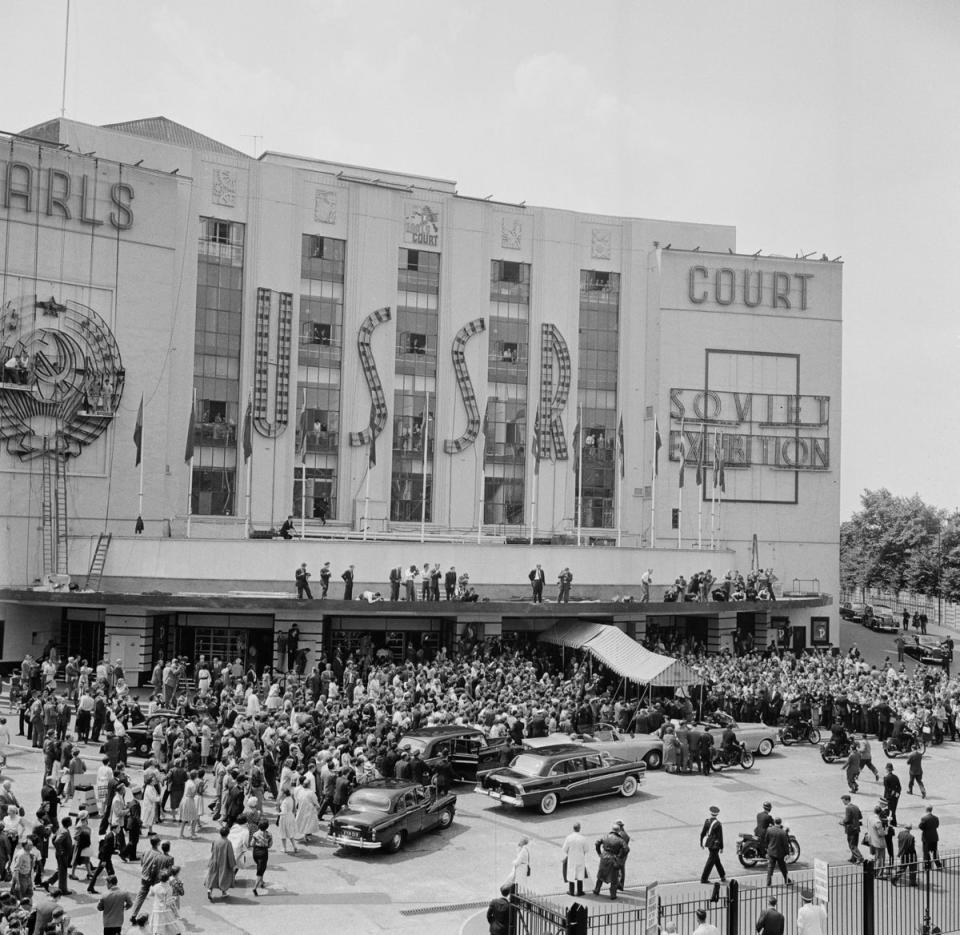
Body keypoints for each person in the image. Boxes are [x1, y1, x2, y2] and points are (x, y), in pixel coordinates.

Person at [205, 825, 237, 900]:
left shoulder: (215, 841)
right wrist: (232, 864)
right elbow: (230, 855)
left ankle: (210, 890)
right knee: (224, 877)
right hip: (224, 863)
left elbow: (212, 850)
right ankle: (224, 892)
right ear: (228, 834)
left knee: (213, 876)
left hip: (215, 861)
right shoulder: (228, 842)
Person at [593, 826, 626, 900]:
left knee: (601, 875)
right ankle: (613, 895)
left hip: (604, 857)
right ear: (618, 831)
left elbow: (597, 843)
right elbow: (626, 849)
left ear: (612, 830)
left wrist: (599, 853)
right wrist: (620, 856)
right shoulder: (620, 840)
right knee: (614, 878)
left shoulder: (605, 836)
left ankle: (596, 890)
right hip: (613, 858)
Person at [148, 868, 181, 935]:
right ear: (168, 878)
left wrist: (151, 889)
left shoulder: (156, 886)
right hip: (166, 909)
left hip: (157, 909)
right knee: (172, 926)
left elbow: (150, 894)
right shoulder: (169, 888)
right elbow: (169, 901)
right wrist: (175, 911)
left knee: (158, 926)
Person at [560, 822, 589, 897]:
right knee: (580, 874)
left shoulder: (569, 838)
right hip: (580, 858)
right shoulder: (583, 838)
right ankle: (580, 891)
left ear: (573, 828)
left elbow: (564, 849)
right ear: (580, 828)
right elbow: (586, 849)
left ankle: (571, 891)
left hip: (572, 858)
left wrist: (569, 853)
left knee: (571, 873)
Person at [699, 805, 725, 884]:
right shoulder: (718, 824)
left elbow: (702, 833)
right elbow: (720, 837)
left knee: (716, 859)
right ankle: (704, 878)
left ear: (710, 813)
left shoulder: (707, 821)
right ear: (717, 814)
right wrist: (721, 847)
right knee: (710, 861)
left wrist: (701, 843)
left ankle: (722, 875)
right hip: (715, 845)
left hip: (709, 843)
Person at [764, 817, 792, 887]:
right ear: (780, 823)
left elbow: (766, 840)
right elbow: (785, 845)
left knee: (770, 867)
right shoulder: (782, 832)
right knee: (783, 868)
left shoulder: (769, 830)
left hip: (771, 852)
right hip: (780, 853)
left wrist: (768, 848)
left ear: (774, 822)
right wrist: (787, 853)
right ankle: (787, 881)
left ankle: (768, 883)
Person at [250, 820, 272, 897]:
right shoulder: (269, 834)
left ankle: (262, 882)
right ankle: (255, 888)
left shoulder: (255, 834)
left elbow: (251, 844)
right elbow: (270, 845)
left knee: (259, 867)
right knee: (261, 869)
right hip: (263, 852)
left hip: (255, 852)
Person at [840, 794, 863, 863]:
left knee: (852, 844)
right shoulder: (856, 807)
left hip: (851, 829)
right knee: (855, 843)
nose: (843, 802)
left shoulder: (848, 808)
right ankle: (853, 858)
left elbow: (847, 819)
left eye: (843, 801)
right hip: (857, 828)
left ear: (847, 800)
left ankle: (860, 857)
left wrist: (842, 822)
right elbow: (860, 816)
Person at [918, 805, 942, 871]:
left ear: (926, 810)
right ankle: (938, 865)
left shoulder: (924, 818)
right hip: (934, 837)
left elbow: (920, 826)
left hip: (926, 838)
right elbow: (937, 826)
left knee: (926, 852)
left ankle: (927, 865)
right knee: (935, 852)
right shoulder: (936, 818)